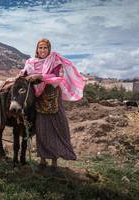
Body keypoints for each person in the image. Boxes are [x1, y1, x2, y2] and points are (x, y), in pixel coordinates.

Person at [20, 38, 86, 170]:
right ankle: (43, 161)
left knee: (56, 129)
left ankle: (54, 162)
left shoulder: (55, 61)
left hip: (53, 98)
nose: (42, 50)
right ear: (37, 49)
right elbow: (24, 74)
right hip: (38, 99)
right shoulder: (31, 63)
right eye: (40, 48)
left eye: (45, 48)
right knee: (41, 130)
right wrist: (22, 75)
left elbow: (58, 79)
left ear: (49, 49)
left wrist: (41, 77)